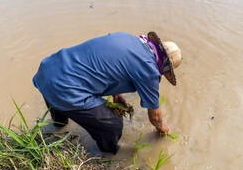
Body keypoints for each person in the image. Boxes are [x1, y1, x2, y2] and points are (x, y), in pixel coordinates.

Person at [33, 31, 182, 154]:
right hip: (64, 89)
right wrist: (162, 129)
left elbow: (105, 64)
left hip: (47, 71)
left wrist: (117, 93)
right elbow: (155, 115)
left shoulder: (128, 38)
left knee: (59, 110)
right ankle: (109, 156)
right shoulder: (149, 70)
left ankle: (57, 129)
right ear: (166, 67)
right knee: (113, 125)